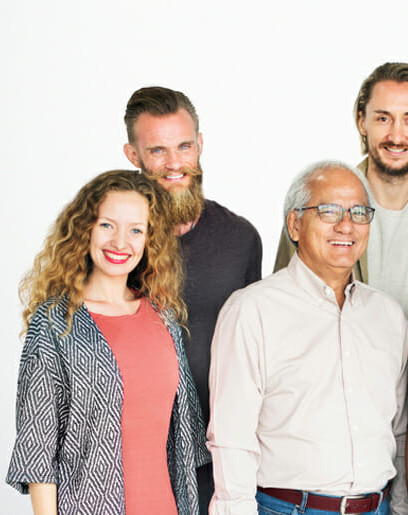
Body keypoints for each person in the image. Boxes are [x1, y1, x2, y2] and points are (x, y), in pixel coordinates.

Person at [209, 161, 408, 515]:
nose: (346, 225)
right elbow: (231, 438)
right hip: (288, 508)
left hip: (377, 507)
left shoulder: (388, 316)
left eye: (359, 213)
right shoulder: (252, 310)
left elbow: (400, 432)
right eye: (329, 211)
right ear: (295, 224)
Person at [7, 170, 206, 515]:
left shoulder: (164, 318)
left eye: (135, 230)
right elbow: (38, 448)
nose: (120, 242)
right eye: (107, 225)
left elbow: (185, 437)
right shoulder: (55, 322)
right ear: (84, 229)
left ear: (149, 239)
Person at [121, 86, 262, 508]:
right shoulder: (115, 244)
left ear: (200, 145)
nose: (174, 164)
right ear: (133, 155)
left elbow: (256, 352)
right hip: (130, 456)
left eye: (184, 146)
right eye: (158, 151)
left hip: (218, 459)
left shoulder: (240, 239)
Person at [274, 62, 408, 326]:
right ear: (362, 122)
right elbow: (279, 302)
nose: (396, 136)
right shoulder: (313, 201)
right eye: (383, 118)